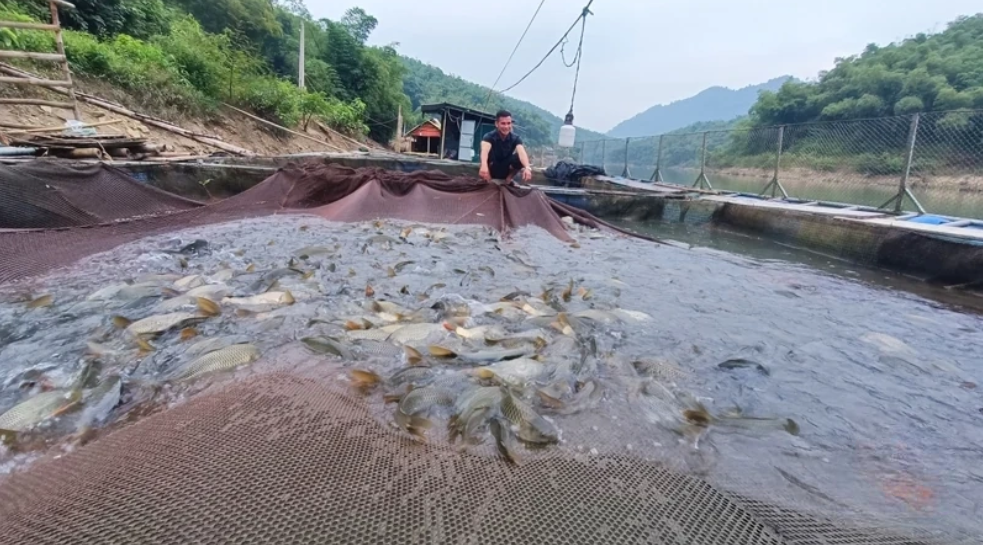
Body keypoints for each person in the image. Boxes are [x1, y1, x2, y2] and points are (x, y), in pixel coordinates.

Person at [479, 110, 533, 184]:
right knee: (485, 153)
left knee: (518, 157)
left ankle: (508, 179)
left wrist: (527, 167)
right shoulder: (489, 137)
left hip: (506, 168)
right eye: (503, 123)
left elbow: (521, 152)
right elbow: (484, 151)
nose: (506, 126)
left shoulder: (515, 138)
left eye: (508, 123)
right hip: (492, 167)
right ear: (497, 124)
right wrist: (484, 165)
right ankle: (489, 180)